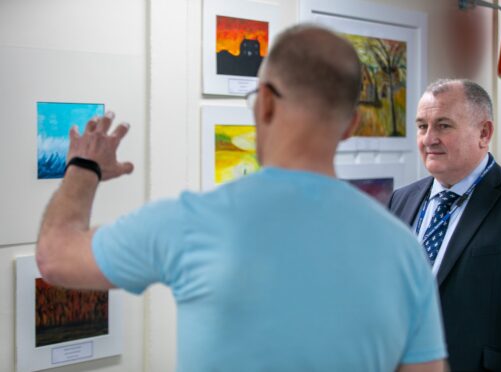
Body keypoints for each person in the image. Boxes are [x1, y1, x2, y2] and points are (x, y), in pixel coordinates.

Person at [37, 24, 446, 371]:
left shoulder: (192, 221)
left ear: (265, 102)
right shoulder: (404, 250)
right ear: (350, 125)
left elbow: (55, 256)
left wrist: (84, 168)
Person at [388, 78, 501, 371]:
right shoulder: (401, 200)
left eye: (443, 125)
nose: (429, 138)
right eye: (422, 126)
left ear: (484, 132)